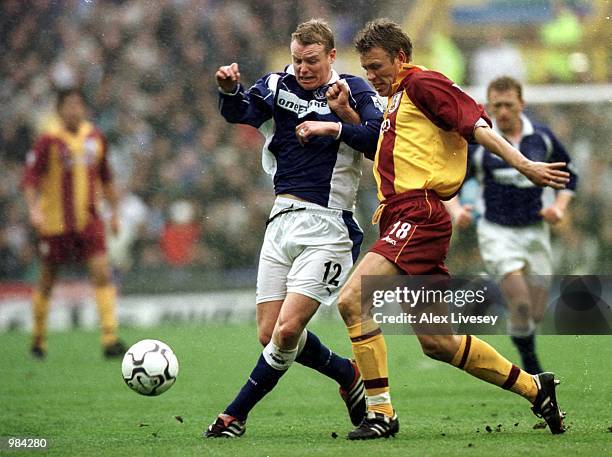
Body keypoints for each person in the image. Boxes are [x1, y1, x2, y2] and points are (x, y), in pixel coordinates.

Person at [331, 19, 569, 440]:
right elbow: (391, 157)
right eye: (365, 68)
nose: (371, 76)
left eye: (377, 66)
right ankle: (536, 388)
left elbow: (477, 126)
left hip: (417, 215)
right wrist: (348, 116)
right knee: (438, 342)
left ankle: (381, 413)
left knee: (353, 300)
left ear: (401, 58)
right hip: (405, 215)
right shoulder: (399, 100)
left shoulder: (424, 84)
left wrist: (525, 164)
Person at [205, 19, 384, 438]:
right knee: (269, 333)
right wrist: (229, 90)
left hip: (329, 226)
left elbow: (377, 141)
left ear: (332, 56)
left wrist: (335, 120)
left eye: (312, 60)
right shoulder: (277, 84)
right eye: (297, 59)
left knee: (287, 331)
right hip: (281, 222)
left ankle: (235, 414)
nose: (302, 68)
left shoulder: (353, 90)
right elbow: (240, 113)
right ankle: (347, 374)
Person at [445, 76, 577, 374]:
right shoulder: (480, 145)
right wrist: (456, 210)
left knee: (535, 312)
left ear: (522, 104)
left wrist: (559, 206)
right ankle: (533, 372)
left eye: (508, 105)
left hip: (535, 231)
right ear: (488, 107)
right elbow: (450, 183)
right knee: (519, 303)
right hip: (497, 232)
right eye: (496, 106)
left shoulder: (541, 138)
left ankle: (485, 294)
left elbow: (570, 175)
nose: (502, 112)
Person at [22, 87, 126, 359]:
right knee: (47, 280)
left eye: (78, 104)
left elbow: (107, 179)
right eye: (68, 105)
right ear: (59, 109)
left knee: (102, 273)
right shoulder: (48, 140)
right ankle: (38, 339)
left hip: (89, 220)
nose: (74, 110)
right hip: (55, 223)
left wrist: (114, 213)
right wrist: (34, 209)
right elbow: (31, 178)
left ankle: (109, 339)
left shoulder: (95, 137)